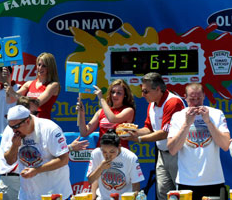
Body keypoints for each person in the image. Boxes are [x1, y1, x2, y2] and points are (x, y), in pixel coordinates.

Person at [0, 97, 88, 200]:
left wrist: (37, 170)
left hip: (55, 194)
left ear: (27, 121)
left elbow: (64, 159)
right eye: (11, 127)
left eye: (16, 127)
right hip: (27, 195)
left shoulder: (49, 129)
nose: (14, 131)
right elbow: (9, 161)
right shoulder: (13, 130)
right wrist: (14, 146)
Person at [124, 72, 185, 200]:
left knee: (181, 193)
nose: (142, 95)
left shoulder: (173, 102)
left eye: (145, 91)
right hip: (162, 154)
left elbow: (165, 133)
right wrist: (132, 132)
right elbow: (149, 129)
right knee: (162, 193)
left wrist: (138, 139)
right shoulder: (152, 104)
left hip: (180, 154)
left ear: (157, 89)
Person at [167, 83, 230, 199]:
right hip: (186, 182)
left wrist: (208, 122)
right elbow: (172, 149)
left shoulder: (216, 114)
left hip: (214, 181)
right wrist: (186, 124)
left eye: (199, 99)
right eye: (192, 99)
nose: (195, 103)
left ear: (204, 96)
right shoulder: (178, 116)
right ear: (184, 97)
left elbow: (225, 145)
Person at [77, 80, 136, 148]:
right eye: (113, 92)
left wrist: (101, 99)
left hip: (119, 152)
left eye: (119, 93)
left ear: (125, 95)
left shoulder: (128, 110)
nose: (114, 95)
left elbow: (112, 119)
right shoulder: (100, 112)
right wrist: (81, 113)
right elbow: (84, 133)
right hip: (102, 152)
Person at [87, 130, 144, 200]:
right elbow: (91, 180)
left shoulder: (130, 157)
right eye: (104, 152)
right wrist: (100, 168)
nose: (108, 155)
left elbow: (136, 184)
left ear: (119, 147)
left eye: (112, 152)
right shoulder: (96, 154)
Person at [5, 52, 60, 119]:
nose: (40, 68)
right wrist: (7, 81)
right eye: (39, 65)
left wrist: (13, 93)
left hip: (43, 123)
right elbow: (10, 100)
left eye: (44, 66)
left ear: (50, 68)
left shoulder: (53, 85)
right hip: (28, 124)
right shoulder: (29, 83)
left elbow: (35, 104)